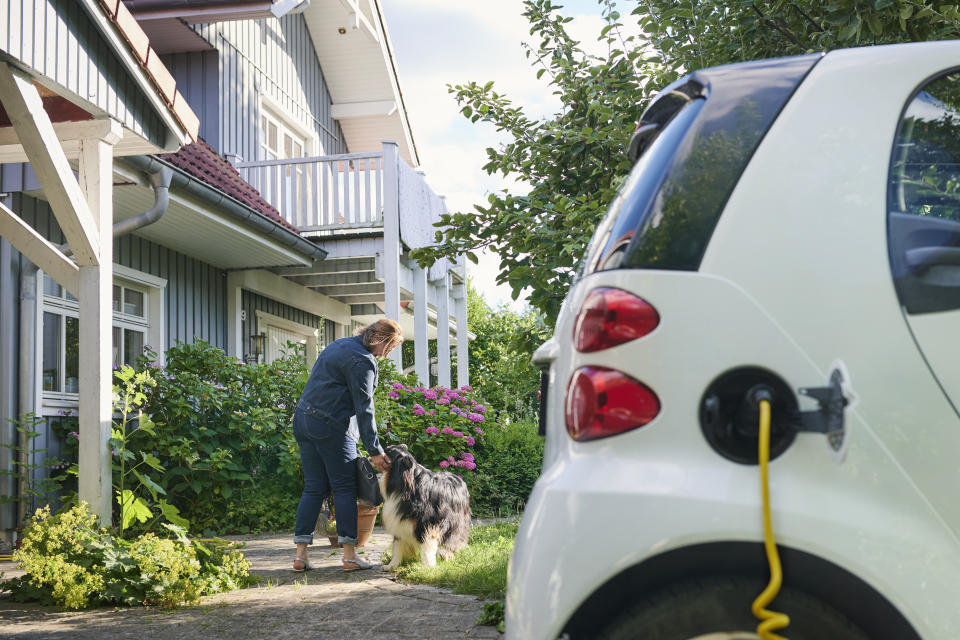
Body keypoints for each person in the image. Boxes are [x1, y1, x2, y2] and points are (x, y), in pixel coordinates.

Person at [291, 318, 402, 572]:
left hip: (302, 420)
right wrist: (374, 450)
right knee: (344, 488)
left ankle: (300, 555)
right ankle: (350, 556)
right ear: (381, 341)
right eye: (390, 347)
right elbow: (365, 408)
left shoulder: (338, 345)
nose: (388, 354)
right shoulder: (363, 361)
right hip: (330, 426)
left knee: (313, 487)